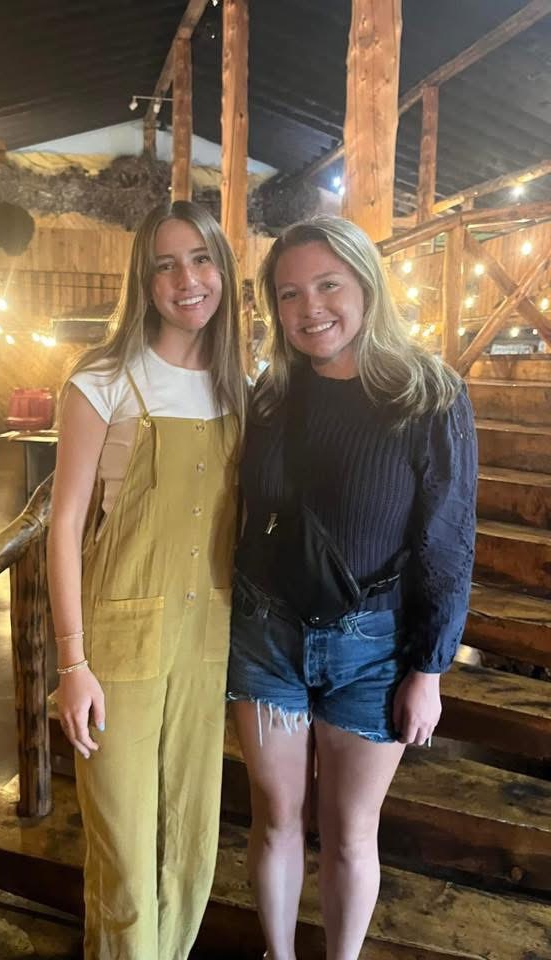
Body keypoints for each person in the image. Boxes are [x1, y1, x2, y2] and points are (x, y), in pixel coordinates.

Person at [227, 216, 477, 960]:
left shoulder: (429, 394)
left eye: (328, 284)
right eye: (289, 293)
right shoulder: (270, 396)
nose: (310, 308)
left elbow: (446, 542)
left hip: (373, 647)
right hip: (265, 635)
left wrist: (429, 669)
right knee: (276, 818)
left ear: (367, 283)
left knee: (349, 833)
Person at [46, 200, 246, 960]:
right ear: (144, 280)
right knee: (125, 854)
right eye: (166, 265)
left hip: (207, 639)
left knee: (191, 843)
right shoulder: (103, 380)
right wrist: (73, 663)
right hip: (117, 642)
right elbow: (66, 525)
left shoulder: (242, 386)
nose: (186, 279)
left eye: (200, 259)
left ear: (223, 271)